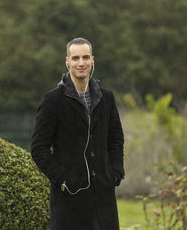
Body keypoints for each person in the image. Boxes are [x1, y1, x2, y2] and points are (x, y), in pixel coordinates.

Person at [31, 37, 125, 230]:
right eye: (75, 58)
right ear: (67, 62)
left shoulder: (107, 98)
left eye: (85, 57)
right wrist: (61, 179)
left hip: (103, 196)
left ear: (92, 60)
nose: (80, 63)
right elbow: (38, 148)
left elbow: (115, 139)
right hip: (69, 198)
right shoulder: (52, 101)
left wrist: (115, 172)